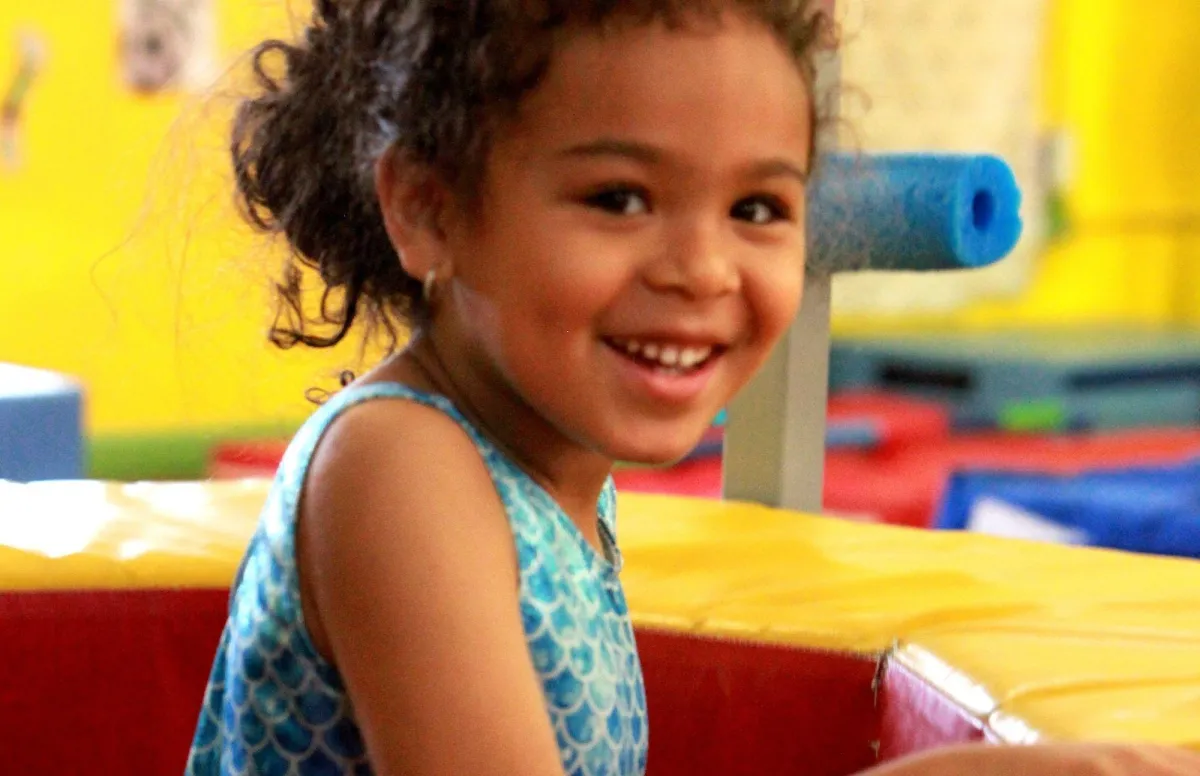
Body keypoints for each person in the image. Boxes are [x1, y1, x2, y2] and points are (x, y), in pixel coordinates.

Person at [184, 1, 1200, 774]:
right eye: (620, 198)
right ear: (428, 209)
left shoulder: (547, 481)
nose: (704, 270)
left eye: (757, 206)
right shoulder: (403, 469)